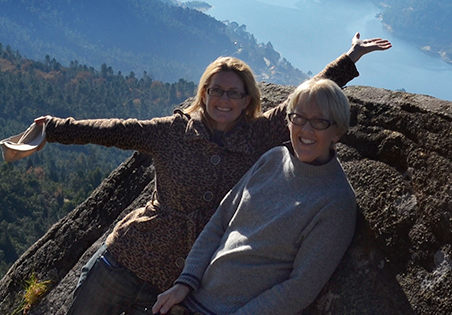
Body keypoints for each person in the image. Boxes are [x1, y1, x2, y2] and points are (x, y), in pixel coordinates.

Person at [2, 34, 388, 315]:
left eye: (234, 93)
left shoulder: (261, 135)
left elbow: (310, 105)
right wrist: (53, 128)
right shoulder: (171, 131)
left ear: (248, 101)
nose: (224, 99)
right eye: (216, 90)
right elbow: (114, 130)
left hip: (175, 286)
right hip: (123, 260)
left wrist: (350, 58)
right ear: (203, 93)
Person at [152, 78, 357, 315]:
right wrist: (185, 283)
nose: (306, 130)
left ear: (337, 131)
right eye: (298, 118)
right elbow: (220, 222)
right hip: (191, 300)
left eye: (319, 122)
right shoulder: (272, 159)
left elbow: (300, 287)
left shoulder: (335, 201)